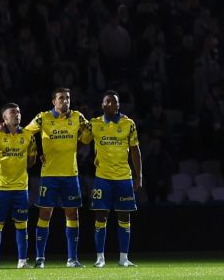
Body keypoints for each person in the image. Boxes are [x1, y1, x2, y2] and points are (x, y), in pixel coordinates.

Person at [31, 87, 89, 268]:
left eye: (68, 98)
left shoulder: (77, 117)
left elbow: (87, 137)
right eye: (61, 98)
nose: (65, 101)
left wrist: (74, 147)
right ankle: (40, 258)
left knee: (72, 213)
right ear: (53, 102)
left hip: (70, 174)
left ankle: (72, 259)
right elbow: (25, 133)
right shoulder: (43, 117)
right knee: (45, 213)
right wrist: (36, 153)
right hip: (49, 175)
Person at [87, 91, 142, 268]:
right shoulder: (94, 124)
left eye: (115, 102)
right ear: (102, 105)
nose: (111, 104)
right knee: (101, 216)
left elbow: (135, 150)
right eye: (108, 102)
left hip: (123, 177)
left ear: (119, 105)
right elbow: (79, 141)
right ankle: (100, 258)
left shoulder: (128, 123)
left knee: (124, 216)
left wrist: (138, 175)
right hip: (102, 177)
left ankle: (124, 258)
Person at [0, 103, 38, 268]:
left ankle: (22, 261)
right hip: (0, 188)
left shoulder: (29, 136)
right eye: (13, 112)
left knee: (22, 225)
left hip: (21, 188)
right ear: (4, 117)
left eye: (19, 112)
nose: (17, 114)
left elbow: (31, 160)